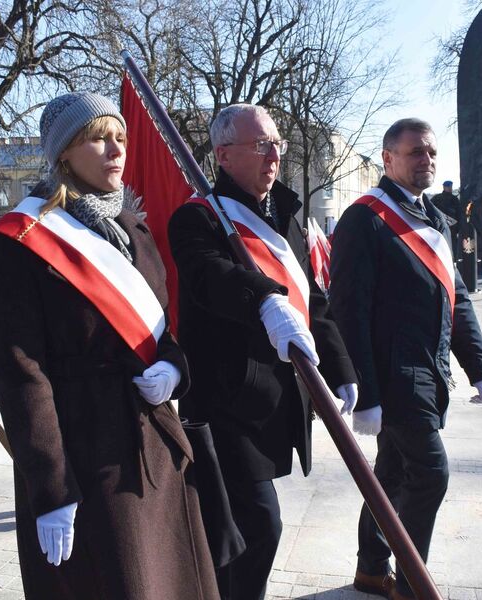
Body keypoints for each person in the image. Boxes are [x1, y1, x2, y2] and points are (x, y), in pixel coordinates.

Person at [0, 92, 219, 599]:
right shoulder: (19, 240)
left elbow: (161, 330)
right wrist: (51, 487)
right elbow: (20, 371)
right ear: (63, 151)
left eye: (121, 138)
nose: (116, 150)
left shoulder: (133, 226)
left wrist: (174, 369)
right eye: (97, 138)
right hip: (84, 451)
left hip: (153, 441)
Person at [168, 103, 358, 600]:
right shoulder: (198, 218)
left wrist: (341, 369)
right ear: (224, 155)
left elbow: (312, 299)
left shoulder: (286, 217)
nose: (274, 154)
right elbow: (210, 277)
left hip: (279, 399)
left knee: (237, 534)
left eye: (277, 143)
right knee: (259, 527)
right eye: (261, 145)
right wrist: (263, 297)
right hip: (227, 402)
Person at [329, 118, 482, 600]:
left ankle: (370, 568)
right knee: (429, 475)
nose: (427, 161)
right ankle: (410, 583)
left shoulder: (436, 219)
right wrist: (366, 393)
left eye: (431, 153)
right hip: (393, 376)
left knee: (394, 474)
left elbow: (456, 298)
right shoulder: (365, 218)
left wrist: (478, 366)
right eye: (415, 153)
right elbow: (348, 310)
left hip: (431, 370)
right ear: (388, 159)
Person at [430, 180, 464, 260]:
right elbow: (430, 209)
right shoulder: (437, 198)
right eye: (448, 187)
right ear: (444, 187)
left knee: (452, 245)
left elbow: (459, 214)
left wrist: (459, 227)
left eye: (450, 187)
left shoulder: (455, 200)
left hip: (452, 227)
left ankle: (452, 259)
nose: (449, 188)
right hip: (440, 226)